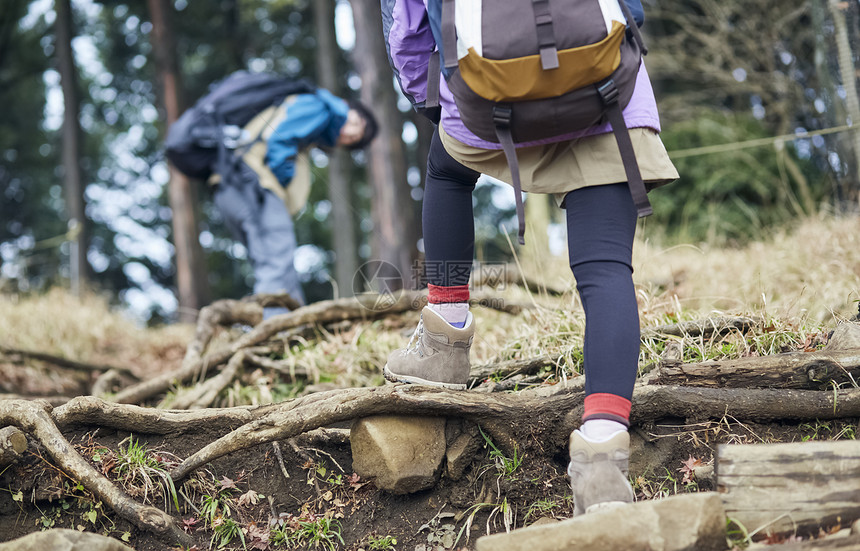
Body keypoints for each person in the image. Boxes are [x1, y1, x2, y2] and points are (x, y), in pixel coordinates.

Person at [380, 0, 679, 515]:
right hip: (604, 95)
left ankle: (444, 337)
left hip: (490, 101)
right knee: (605, 269)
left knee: (446, 171)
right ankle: (604, 458)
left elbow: (408, 29)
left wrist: (438, 104)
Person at [205, 85, 377, 318]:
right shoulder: (323, 108)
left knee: (272, 261)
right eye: (356, 123)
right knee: (277, 259)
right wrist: (283, 182)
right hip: (257, 183)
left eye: (353, 139)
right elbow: (280, 139)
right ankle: (274, 332)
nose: (349, 133)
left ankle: (295, 325)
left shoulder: (313, 117)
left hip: (233, 182)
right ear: (348, 107)